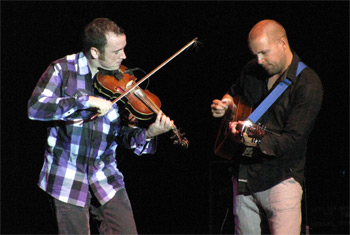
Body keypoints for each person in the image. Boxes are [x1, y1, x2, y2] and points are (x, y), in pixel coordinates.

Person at [28, 18, 174, 234]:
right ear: (95, 52)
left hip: (104, 173)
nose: (123, 56)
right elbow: (36, 108)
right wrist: (84, 101)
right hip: (67, 173)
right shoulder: (62, 69)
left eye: (123, 49)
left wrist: (149, 134)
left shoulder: (121, 81)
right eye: (117, 51)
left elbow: (124, 136)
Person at [211, 19, 323, 234]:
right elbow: (234, 91)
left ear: (282, 43)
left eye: (264, 53)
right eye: (255, 54)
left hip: (280, 180)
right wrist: (226, 105)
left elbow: (292, 141)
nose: (259, 60)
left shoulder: (307, 83)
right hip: (244, 178)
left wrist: (253, 138)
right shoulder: (253, 69)